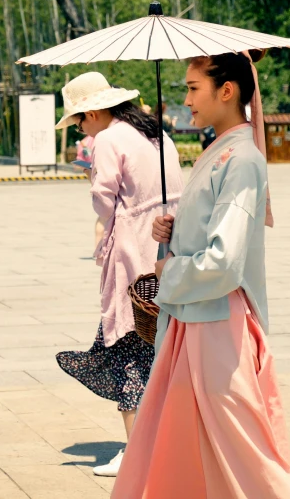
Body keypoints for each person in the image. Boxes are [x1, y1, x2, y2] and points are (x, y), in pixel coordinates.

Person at [111, 51, 290, 499]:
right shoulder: (220, 152)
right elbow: (212, 234)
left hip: (219, 323)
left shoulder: (241, 159)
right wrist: (173, 231)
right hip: (197, 316)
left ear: (227, 91)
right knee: (187, 438)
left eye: (193, 88)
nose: (187, 99)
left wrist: (169, 268)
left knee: (242, 447)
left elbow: (225, 260)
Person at [54, 72, 183, 477]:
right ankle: (161, 443)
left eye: (78, 122)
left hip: (132, 250)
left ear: (92, 113)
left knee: (128, 348)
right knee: (156, 345)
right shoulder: (153, 131)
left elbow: (104, 200)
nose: (80, 129)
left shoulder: (108, 139)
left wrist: (95, 184)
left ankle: (137, 451)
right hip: (169, 243)